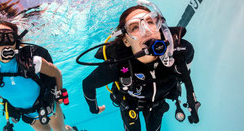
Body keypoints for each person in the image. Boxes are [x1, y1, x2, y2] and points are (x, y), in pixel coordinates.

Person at [81, 1, 200, 131]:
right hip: (130, 103)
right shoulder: (117, 65)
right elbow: (88, 84)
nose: (146, 31)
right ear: (126, 40)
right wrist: (94, 109)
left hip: (157, 103)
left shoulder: (181, 52)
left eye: (150, 22)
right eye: (135, 27)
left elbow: (184, 74)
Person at [0, 21, 72, 131]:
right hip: (28, 116)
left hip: (48, 108)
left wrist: (58, 93)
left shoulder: (33, 62)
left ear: (15, 41)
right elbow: (4, 94)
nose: (6, 42)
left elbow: (56, 73)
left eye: (10, 37)